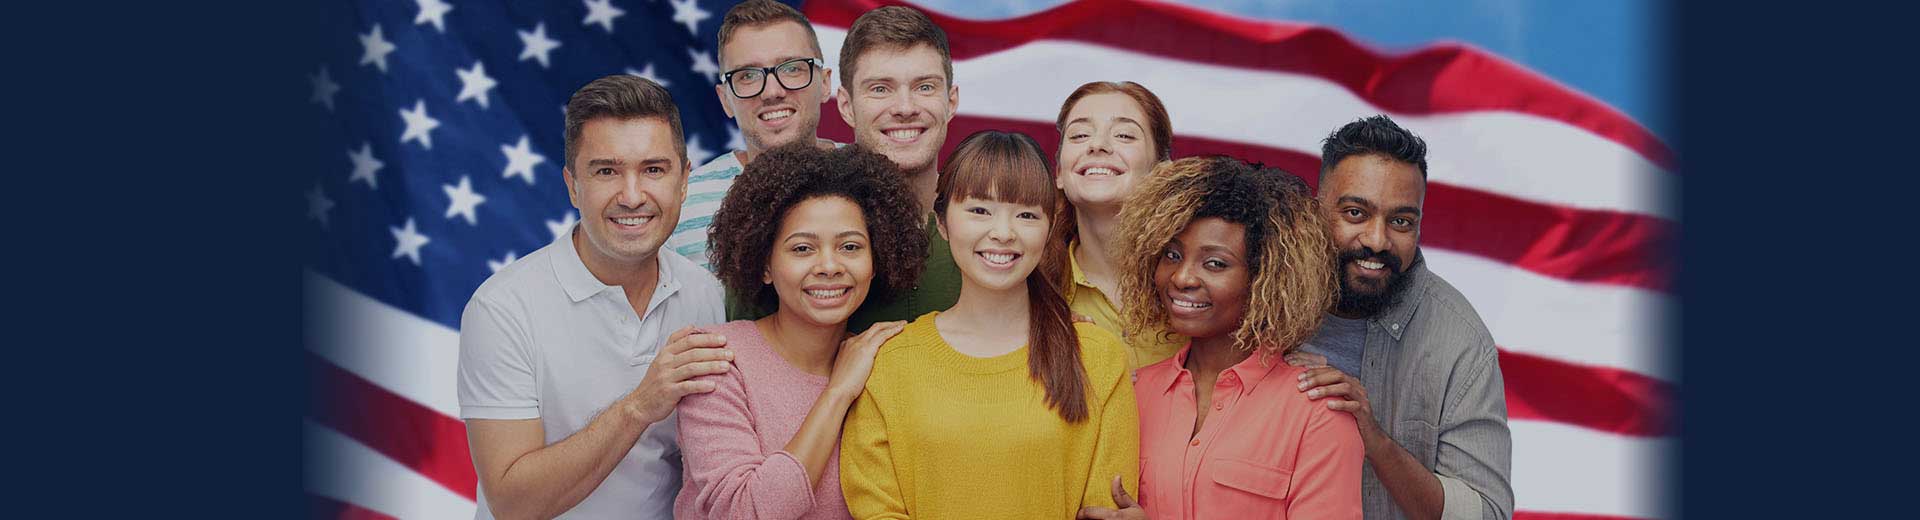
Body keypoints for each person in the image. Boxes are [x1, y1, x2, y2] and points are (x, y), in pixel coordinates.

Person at [456, 75, 729, 519]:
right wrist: (640, 405)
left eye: (654, 170)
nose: (633, 196)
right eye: (606, 171)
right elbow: (512, 503)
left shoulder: (706, 296)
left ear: (684, 182)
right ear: (572, 185)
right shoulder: (502, 310)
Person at [838, 131, 1139, 519]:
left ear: (1049, 230)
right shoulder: (889, 363)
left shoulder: (1097, 356)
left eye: (1027, 214)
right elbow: (876, 508)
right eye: (980, 210)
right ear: (942, 223)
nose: (1003, 232)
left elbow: (1105, 507)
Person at [1080, 156, 1362, 520]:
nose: (1182, 277)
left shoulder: (1318, 415)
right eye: (1172, 255)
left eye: (1215, 263)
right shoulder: (1131, 395)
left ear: (1266, 278)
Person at [674, 142, 929, 520]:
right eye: (802, 249)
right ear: (764, 264)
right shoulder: (717, 361)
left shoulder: (883, 363)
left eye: (850, 246)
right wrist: (838, 392)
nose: (829, 265)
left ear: (876, 261)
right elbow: (743, 511)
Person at [1291, 115, 1515, 520]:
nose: (1377, 241)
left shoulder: (1459, 340)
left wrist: (1373, 437)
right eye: (1356, 213)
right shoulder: (1257, 302)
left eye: (1400, 222)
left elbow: (1488, 514)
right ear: (1317, 209)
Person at [668, 0, 841, 271]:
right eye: (747, 75)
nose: (772, 92)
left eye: (792, 68)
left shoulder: (876, 182)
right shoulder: (680, 207)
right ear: (725, 99)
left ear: (825, 83)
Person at [1051, 81, 1186, 371]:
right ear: (1060, 173)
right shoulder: (1032, 292)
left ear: (1161, 172)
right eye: (1080, 134)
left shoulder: (1199, 286)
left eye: (1124, 135)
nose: (1097, 145)